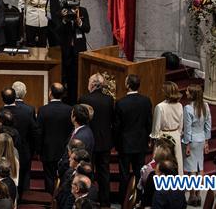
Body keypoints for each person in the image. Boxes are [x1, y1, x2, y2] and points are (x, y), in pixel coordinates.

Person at [114, 75, 153, 198]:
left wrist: (116, 142)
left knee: (124, 174)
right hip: (141, 143)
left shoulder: (121, 103)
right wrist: (148, 139)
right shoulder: (146, 101)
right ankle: (138, 198)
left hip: (125, 144)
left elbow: (117, 126)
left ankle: (123, 199)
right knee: (139, 172)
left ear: (127, 85)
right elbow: (149, 123)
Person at [78, 74, 113, 207]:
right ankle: (105, 202)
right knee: (104, 173)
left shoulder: (84, 98)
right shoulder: (109, 100)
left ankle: (88, 200)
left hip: (88, 141)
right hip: (104, 141)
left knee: (87, 171)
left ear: (92, 84)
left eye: (88, 81)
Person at [2, 86, 38, 194]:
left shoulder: (0, 112)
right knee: (22, 178)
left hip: (4, 152)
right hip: (24, 151)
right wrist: (33, 149)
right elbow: (35, 132)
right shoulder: (27, 112)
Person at [38, 82, 73, 195]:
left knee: (49, 177)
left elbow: (39, 132)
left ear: (50, 94)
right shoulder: (69, 109)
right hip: (64, 149)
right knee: (64, 176)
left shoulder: (43, 110)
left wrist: (38, 150)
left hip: (48, 149)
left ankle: (49, 199)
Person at [181, 84, 211, 206]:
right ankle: (198, 195)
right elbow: (208, 125)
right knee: (200, 167)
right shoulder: (206, 106)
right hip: (201, 139)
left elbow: (187, 128)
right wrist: (207, 142)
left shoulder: (188, 108)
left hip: (192, 140)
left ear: (192, 94)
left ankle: (192, 196)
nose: (185, 93)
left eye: (187, 91)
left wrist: (187, 144)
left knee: (191, 170)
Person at [151, 82, 184, 175]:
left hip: (163, 136)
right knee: (177, 160)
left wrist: (155, 138)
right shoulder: (180, 105)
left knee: (161, 160)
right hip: (176, 135)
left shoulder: (160, 107)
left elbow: (156, 127)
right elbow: (181, 125)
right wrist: (177, 134)